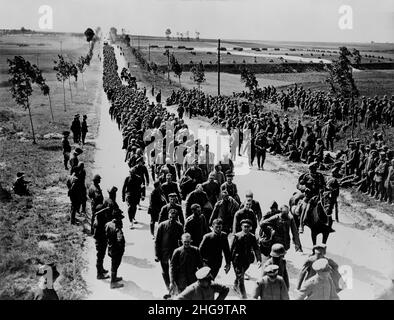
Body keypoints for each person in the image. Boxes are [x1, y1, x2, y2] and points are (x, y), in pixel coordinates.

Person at [155, 209, 184, 298]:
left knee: (175, 270)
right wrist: (156, 254)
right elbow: (157, 241)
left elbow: (181, 240)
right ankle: (168, 287)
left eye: (174, 218)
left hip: (174, 252)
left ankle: (174, 286)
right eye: (170, 217)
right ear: (168, 216)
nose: (172, 219)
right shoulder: (162, 225)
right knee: (165, 271)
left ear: (177, 218)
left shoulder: (179, 226)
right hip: (163, 252)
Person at [230, 219, 262, 299]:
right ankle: (243, 296)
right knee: (241, 278)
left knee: (240, 275)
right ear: (241, 227)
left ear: (251, 228)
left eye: (248, 227)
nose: (246, 228)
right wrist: (228, 262)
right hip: (237, 260)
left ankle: (235, 284)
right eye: (245, 227)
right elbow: (230, 249)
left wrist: (259, 260)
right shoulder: (236, 236)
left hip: (247, 260)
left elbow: (256, 248)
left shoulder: (252, 237)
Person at [105, 203, 126, 289]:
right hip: (117, 250)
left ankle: (114, 278)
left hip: (110, 247)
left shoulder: (108, 224)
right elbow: (120, 240)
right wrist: (121, 248)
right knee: (115, 265)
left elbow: (106, 234)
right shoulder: (117, 228)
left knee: (113, 264)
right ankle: (113, 282)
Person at [93, 204, 111, 279]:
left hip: (101, 240)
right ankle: (99, 274)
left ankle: (101, 269)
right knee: (100, 257)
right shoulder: (100, 220)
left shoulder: (99, 217)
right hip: (100, 241)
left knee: (101, 256)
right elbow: (99, 233)